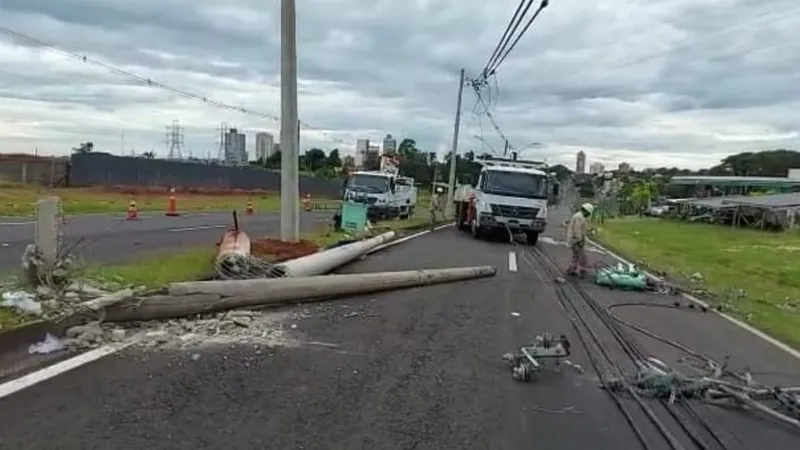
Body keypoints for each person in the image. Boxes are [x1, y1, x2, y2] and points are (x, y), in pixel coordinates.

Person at [566, 203, 594, 276]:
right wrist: (580, 240)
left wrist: (588, 231)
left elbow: (581, 229)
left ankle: (572, 269)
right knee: (581, 256)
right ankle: (581, 270)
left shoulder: (579, 216)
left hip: (575, 239)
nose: (588, 215)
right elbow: (577, 230)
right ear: (586, 211)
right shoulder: (579, 217)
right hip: (576, 240)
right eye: (588, 213)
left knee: (576, 256)